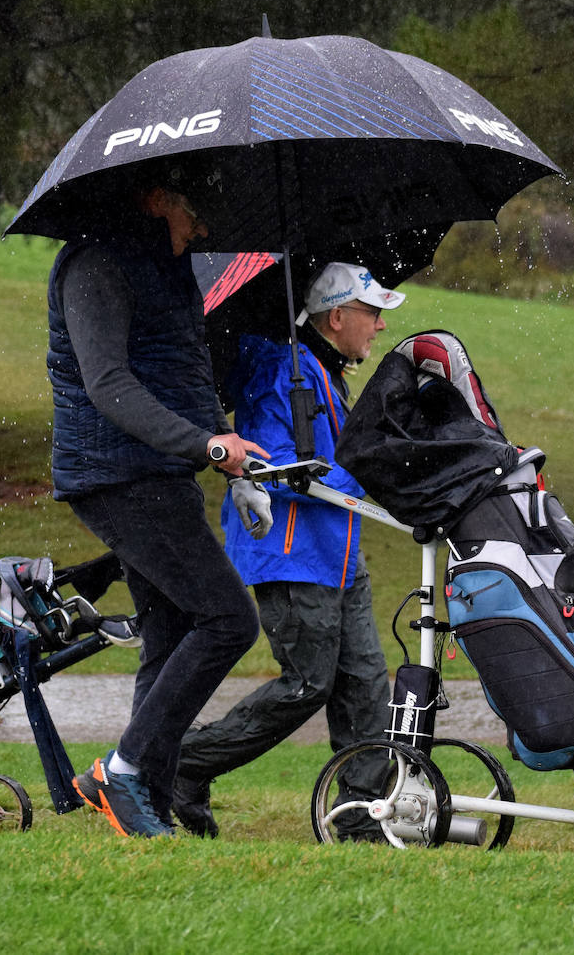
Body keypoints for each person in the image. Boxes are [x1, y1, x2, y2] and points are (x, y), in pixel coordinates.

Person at [47, 170, 272, 838]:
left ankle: (146, 788)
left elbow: (182, 369)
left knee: (172, 632)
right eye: (194, 213)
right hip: (116, 475)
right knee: (230, 621)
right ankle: (124, 770)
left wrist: (230, 460)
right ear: (154, 201)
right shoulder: (95, 265)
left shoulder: (166, 266)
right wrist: (206, 444)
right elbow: (109, 385)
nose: (203, 229)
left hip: (160, 472)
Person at [171, 261, 405, 838]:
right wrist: (372, 469)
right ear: (337, 317)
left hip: (339, 556)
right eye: (372, 314)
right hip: (294, 555)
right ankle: (180, 763)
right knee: (308, 684)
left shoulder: (323, 369)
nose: (378, 327)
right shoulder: (288, 370)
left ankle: (359, 817)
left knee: (367, 684)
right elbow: (276, 467)